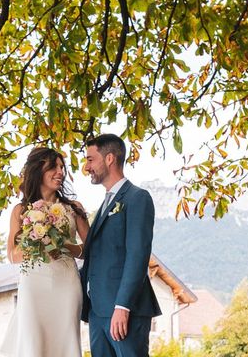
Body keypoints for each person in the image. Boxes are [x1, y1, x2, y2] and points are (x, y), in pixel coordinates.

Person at [0, 147, 89, 357]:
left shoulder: (74, 208)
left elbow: (90, 249)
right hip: (33, 285)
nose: (60, 172)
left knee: (65, 342)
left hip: (66, 284)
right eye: (54, 167)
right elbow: (12, 255)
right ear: (39, 170)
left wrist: (65, 246)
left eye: (62, 167)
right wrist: (36, 241)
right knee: (34, 343)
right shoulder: (20, 211)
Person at [80, 134, 162, 357]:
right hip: (98, 311)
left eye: (90, 159)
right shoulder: (105, 202)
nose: (86, 167)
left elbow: (137, 255)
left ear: (109, 159)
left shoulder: (137, 198)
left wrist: (122, 306)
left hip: (124, 310)